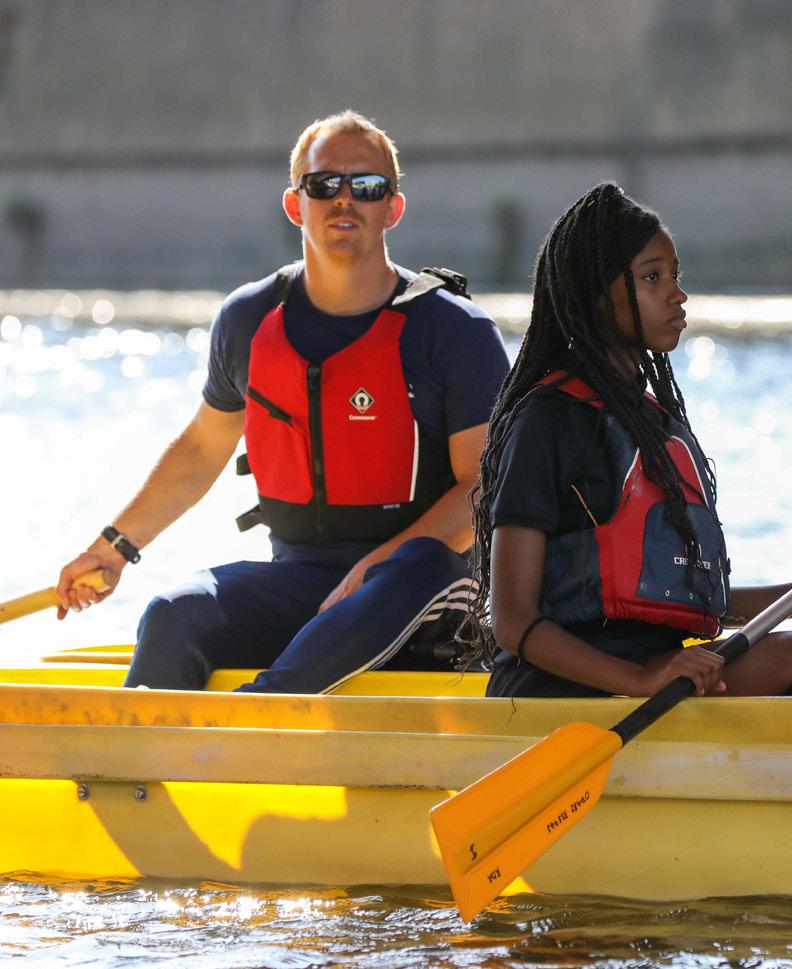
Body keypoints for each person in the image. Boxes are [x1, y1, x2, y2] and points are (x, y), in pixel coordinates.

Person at [54, 110, 510, 693]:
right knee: (171, 615)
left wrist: (375, 567)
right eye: (324, 184)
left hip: (423, 593)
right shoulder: (247, 319)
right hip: (302, 583)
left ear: (393, 208)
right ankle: (141, 752)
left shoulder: (455, 330)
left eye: (367, 186)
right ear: (295, 205)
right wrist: (114, 549)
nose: (345, 199)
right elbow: (201, 449)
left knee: (419, 564)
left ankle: (260, 710)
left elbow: (482, 490)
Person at [464, 182, 792, 699]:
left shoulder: (655, 422)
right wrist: (640, 680)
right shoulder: (547, 420)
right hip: (568, 684)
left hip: (658, 667)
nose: (677, 294)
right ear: (595, 293)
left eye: (675, 275)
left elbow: (698, 601)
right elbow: (511, 621)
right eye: (652, 277)